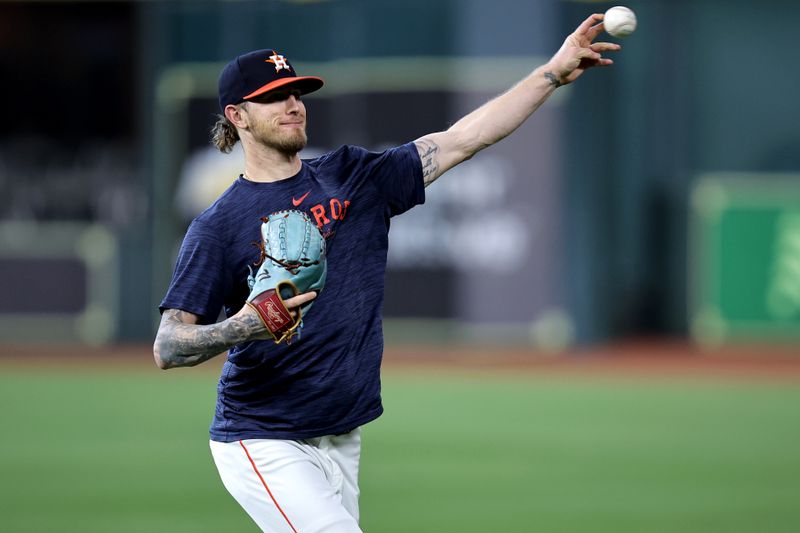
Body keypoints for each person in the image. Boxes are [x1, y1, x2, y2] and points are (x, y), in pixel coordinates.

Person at [154, 13, 619, 533]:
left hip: (342, 433)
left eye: (296, 93)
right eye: (273, 97)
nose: (292, 104)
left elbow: (463, 139)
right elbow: (169, 345)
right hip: (261, 437)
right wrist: (243, 325)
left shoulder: (354, 177)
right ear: (237, 116)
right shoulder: (217, 226)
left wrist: (551, 73)